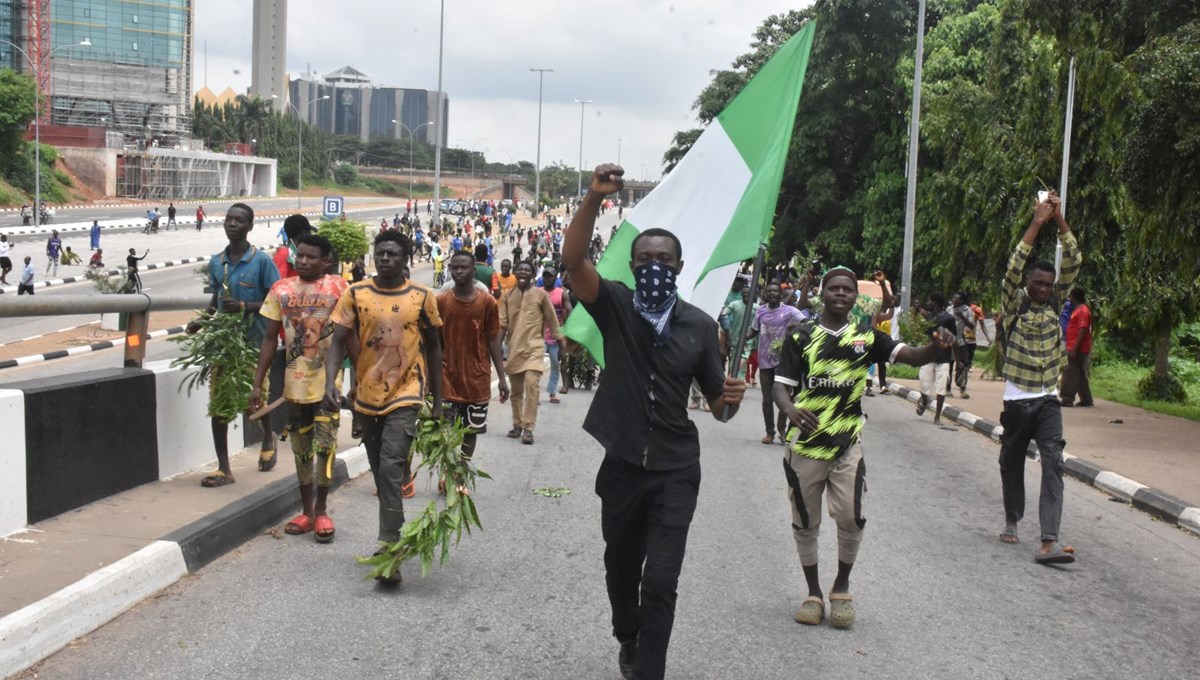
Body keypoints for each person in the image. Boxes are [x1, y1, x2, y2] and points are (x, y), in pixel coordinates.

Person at [562, 164, 746, 680]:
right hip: (621, 466)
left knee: (661, 580)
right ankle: (628, 634)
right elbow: (572, 260)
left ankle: (649, 669)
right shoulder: (615, 304)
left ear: (680, 265)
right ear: (632, 264)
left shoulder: (700, 327)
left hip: (676, 470)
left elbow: (718, 406)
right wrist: (594, 200)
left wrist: (730, 397)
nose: (653, 266)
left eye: (663, 259)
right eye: (644, 259)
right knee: (621, 570)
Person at [772, 266, 955, 629]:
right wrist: (790, 409)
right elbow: (781, 385)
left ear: (856, 297)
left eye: (848, 290)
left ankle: (841, 588)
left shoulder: (867, 337)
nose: (841, 294)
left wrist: (937, 346)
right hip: (806, 447)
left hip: (847, 446)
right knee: (805, 522)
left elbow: (912, 356)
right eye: (834, 288)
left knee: (851, 519)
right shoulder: (801, 336)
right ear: (823, 293)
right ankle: (813, 594)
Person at [324, 231, 443, 584]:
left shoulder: (422, 297)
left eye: (393, 254)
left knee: (391, 465)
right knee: (379, 469)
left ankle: (389, 545)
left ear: (406, 258)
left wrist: (438, 398)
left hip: (407, 391)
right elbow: (337, 344)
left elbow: (435, 348)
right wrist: (333, 381)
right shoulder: (355, 293)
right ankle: (390, 530)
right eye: (381, 253)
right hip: (366, 394)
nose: (386, 259)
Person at [996, 190, 1080, 564]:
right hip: (1017, 398)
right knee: (1011, 462)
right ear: (1028, 282)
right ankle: (1012, 518)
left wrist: (1059, 218)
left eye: (1049, 284)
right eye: (1038, 283)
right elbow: (1015, 264)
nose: (1043, 289)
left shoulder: (1058, 300)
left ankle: (1049, 540)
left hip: (1047, 398)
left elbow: (1075, 256)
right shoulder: (1014, 301)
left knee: (1053, 461)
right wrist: (1037, 221)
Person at [251, 234, 349, 543]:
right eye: (300, 256)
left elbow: (351, 337)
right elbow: (269, 338)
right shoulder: (281, 290)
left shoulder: (339, 288)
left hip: (328, 386)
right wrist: (258, 384)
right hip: (293, 386)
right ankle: (306, 511)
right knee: (301, 449)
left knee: (325, 446)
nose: (303, 261)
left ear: (326, 261)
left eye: (311, 257)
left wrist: (357, 383)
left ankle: (322, 510)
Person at [192, 203, 281, 487]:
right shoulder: (217, 263)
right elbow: (215, 300)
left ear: (249, 226)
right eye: (229, 219)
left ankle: (268, 436)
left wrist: (245, 305)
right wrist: (203, 321)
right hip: (224, 344)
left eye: (239, 220)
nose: (232, 224)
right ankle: (224, 469)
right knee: (219, 403)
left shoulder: (262, 262)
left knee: (254, 399)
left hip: (255, 344)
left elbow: (276, 301)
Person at [437, 250, 509, 492]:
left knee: (470, 432)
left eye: (463, 268)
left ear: (472, 271)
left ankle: (460, 475)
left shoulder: (486, 302)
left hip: (477, 379)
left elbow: (493, 340)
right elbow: (433, 343)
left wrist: (502, 377)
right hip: (447, 378)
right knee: (446, 431)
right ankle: (447, 472)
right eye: (454, 267)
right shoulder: (441, 302)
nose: (458, 271)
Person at [499, 261, 564, 445]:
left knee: (532, 385)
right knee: (516, 391)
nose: (523, 272)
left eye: (527, 270)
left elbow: (553, 321)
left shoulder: (541, 295)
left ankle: (528, 428)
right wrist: (496, 348)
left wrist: (561, 347)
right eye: (520, 269)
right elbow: (502, 325)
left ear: (532, 275)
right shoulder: (506, 297)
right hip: (514, 349)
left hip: (535, 348)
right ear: (515, 272)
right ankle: (517, 424)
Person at [745, 283, 806, 444]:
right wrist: (743, 337)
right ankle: (769, 432)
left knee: (784, 398)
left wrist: (796, 326)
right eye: (769, 291)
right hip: (765, 361)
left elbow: (806, 322)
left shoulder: (789, 311)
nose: (772, 293)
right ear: (765, 294)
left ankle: (782, 430)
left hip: (784, 361)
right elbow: (753, 331)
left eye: (775, 291)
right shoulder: (761, 311)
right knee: (767, 399)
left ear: (780, 295)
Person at [915, 292, 956, 425]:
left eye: (930, 301)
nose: (928, 303)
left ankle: (937, 416)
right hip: (929, 356)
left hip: (943, 357)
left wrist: (959, 360)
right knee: (923, 383)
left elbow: (954, 339)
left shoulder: (949, 319)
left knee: (941, 387)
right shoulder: (929, 317)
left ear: (936, 303)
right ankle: (925, 400)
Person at [542, 266, 572, 403]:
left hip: (556, 337)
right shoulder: (537, 292)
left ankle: (552, 393)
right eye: (545, 275)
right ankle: (533, 394)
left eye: (550, 276)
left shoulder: (562, 293)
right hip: (539, 336)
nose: (548, 278)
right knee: (534, 366)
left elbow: (570, 312)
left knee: (556, 365)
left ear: (555, 278)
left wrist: (566, 331)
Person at [1060, 287, 1093, 407]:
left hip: (1078, 348)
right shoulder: (1078, 310)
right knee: (1079, 373)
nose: (1069, 299)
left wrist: (1074, 348)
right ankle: (1086, 399)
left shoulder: (1082, 310)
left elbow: (1083, 330)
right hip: (1075, 346)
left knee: (1070, 372)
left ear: (1074, 297)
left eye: (1070, 296)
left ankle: (1067, 398)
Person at [950, 291, 980, 399]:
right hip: (948, 338)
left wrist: (962, 317)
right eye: (953, 298)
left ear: (961, 300)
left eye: (956, 298)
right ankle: (948, 388)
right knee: (949, 362)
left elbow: (971, 325)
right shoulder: (949, 309)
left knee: (965, 362)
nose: (954, 300)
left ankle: (962, 387)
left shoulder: (967, 310)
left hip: (959, 338)